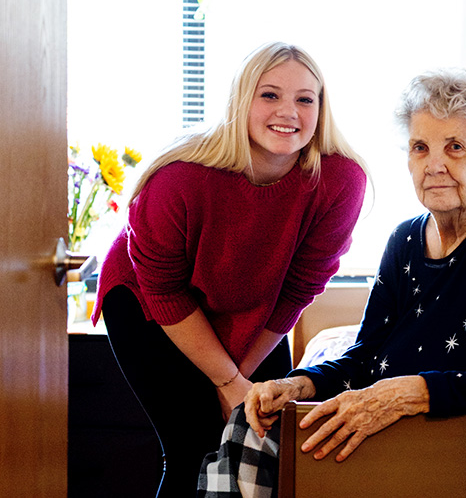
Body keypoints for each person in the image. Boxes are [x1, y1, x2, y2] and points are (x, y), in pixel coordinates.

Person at [198, 68, 466, 496]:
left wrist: (411, 392)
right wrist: (296, 384)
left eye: (455, 147)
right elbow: (366, 358)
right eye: (420, 147)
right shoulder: (404, 240)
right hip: (393, 432)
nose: (434, 165)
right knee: (253, 421)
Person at [90, 41, 368, 497]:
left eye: (305, 98)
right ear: (242, 101)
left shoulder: (340, 181)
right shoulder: (179, 178)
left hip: (250, 303)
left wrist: (240, 378)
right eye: (270, 95)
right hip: (150, 303)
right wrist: (229, 381)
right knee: (195, 446)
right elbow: (164, 290)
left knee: (264, 442)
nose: (289, 111)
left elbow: (300, 286)